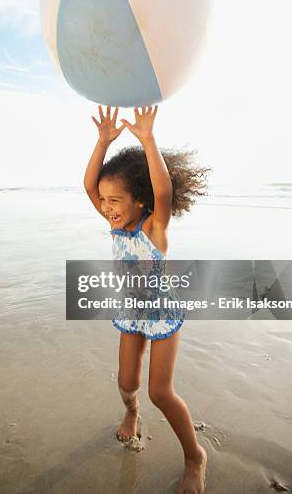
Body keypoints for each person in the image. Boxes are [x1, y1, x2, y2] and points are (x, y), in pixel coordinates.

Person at [83, 105, 210, 494]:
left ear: (139, 200)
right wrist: (103, 142)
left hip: (162, 314)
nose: (106, 207)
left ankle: (195, 456)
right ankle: (131, 413)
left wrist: (148, 140)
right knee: (126, 382)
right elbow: (89, 186)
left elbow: (163, 190)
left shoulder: (154, 229)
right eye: (104, 201)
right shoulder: (114, 223)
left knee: (160, 391)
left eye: (115, 200)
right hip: (130, 312)